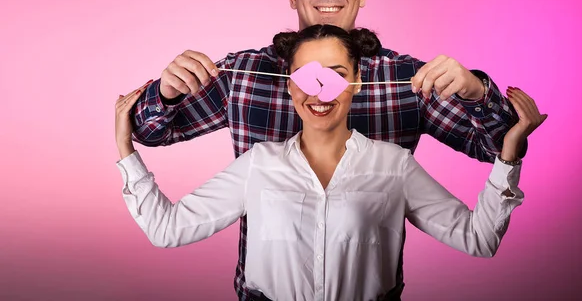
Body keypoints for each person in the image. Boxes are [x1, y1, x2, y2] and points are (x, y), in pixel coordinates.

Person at [129, 0, 523, 299]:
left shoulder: (406, 79)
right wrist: (165, 93)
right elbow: (150, 132)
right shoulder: (246, 73)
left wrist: (477, 93)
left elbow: (498, 146)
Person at [116, 25, 546, 300]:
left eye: (335, 75)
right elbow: (166, 228)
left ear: (357, 82)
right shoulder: (258, 164)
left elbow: (478, 239)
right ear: (288, 85)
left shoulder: (393, 165)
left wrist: (508, 154)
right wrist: (125, 146)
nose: (320, 91)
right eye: (307, 76)